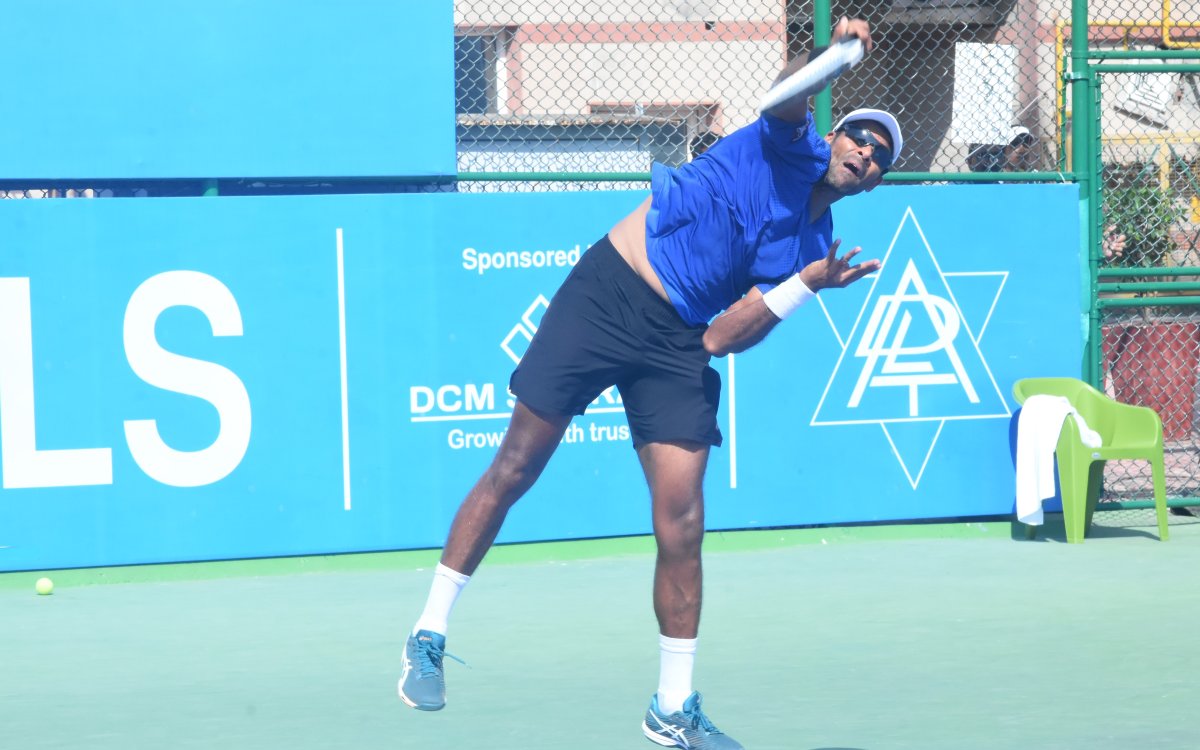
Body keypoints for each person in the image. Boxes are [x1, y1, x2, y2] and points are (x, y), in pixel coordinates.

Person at [399, 16, 901, 750]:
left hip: (677, 341)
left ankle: (671, 709)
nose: (865, 154)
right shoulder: (785, 141)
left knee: (684, 521)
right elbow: (785, 90)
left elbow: (720, 340)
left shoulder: (815, 246)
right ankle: (428, 633)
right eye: (859, 137)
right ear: (833, 135)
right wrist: (836, 55)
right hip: (607, 292)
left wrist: (806, 285)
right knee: (516, 466)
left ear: (878, 181)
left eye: (880, 156)